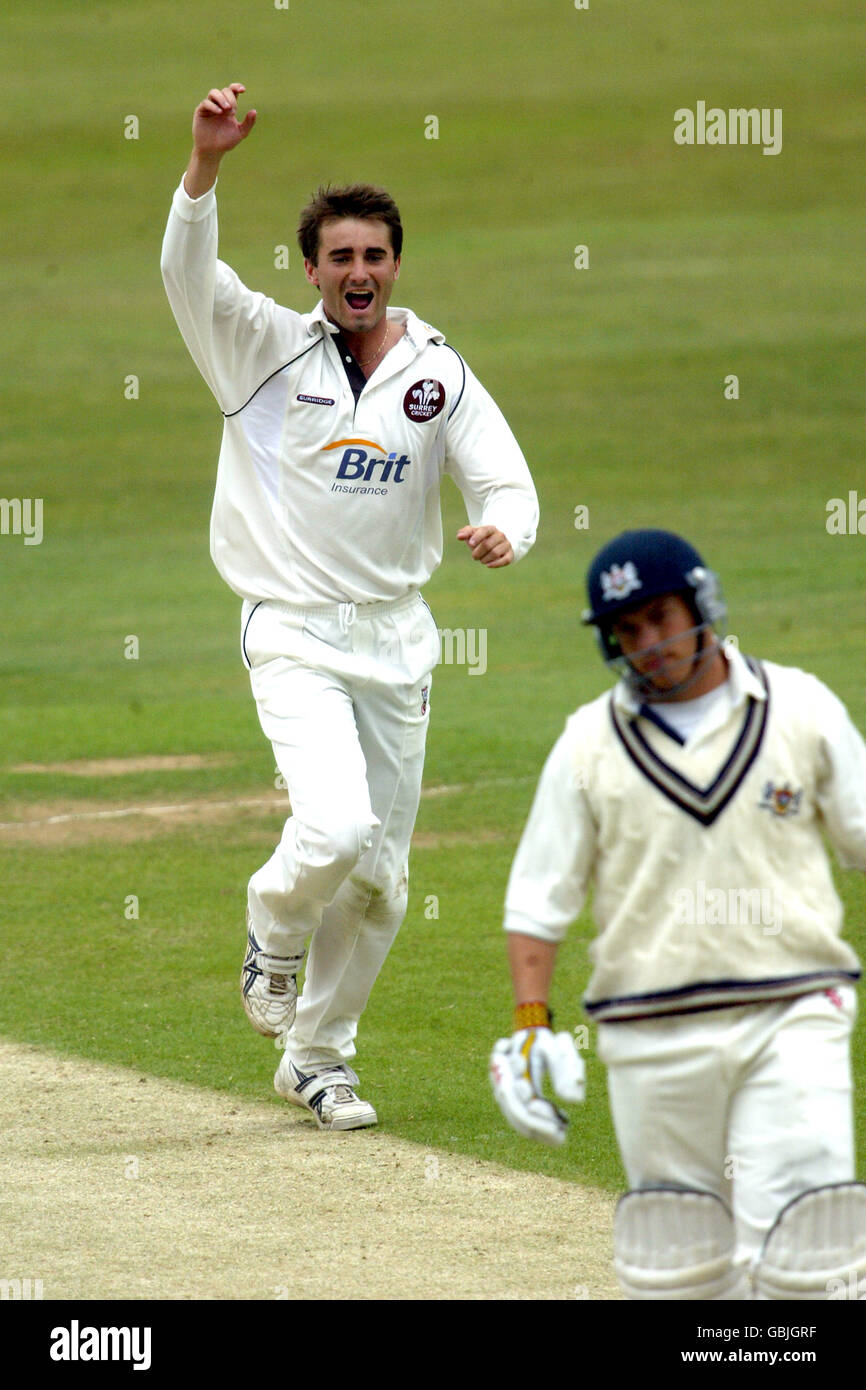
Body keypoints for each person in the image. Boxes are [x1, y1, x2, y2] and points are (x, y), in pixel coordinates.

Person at [161, 84, 538, 1131]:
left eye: (374, 256)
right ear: (312, 269)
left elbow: (505, 482)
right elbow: (186, 274)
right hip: (292, 630)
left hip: (397, 642)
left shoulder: (436, 373)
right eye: (340, 259)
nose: (358, 274)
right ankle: (270, 934)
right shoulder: (260, 349)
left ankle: (316, 1059)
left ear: (394, 263)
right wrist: (203, 168)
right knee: (329, 829)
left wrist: (507, 529)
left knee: (379, 882)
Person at [489, 528, 866, 1299]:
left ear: (701, 603)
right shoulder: (587, 744)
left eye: (660, 617)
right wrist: (530, 1025)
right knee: (678, 1275)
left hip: (793, 1011)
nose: (649, 643)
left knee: (812, 1256)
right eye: (628, 630)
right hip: (648, 1033)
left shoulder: (799, 706)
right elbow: (539, 899)